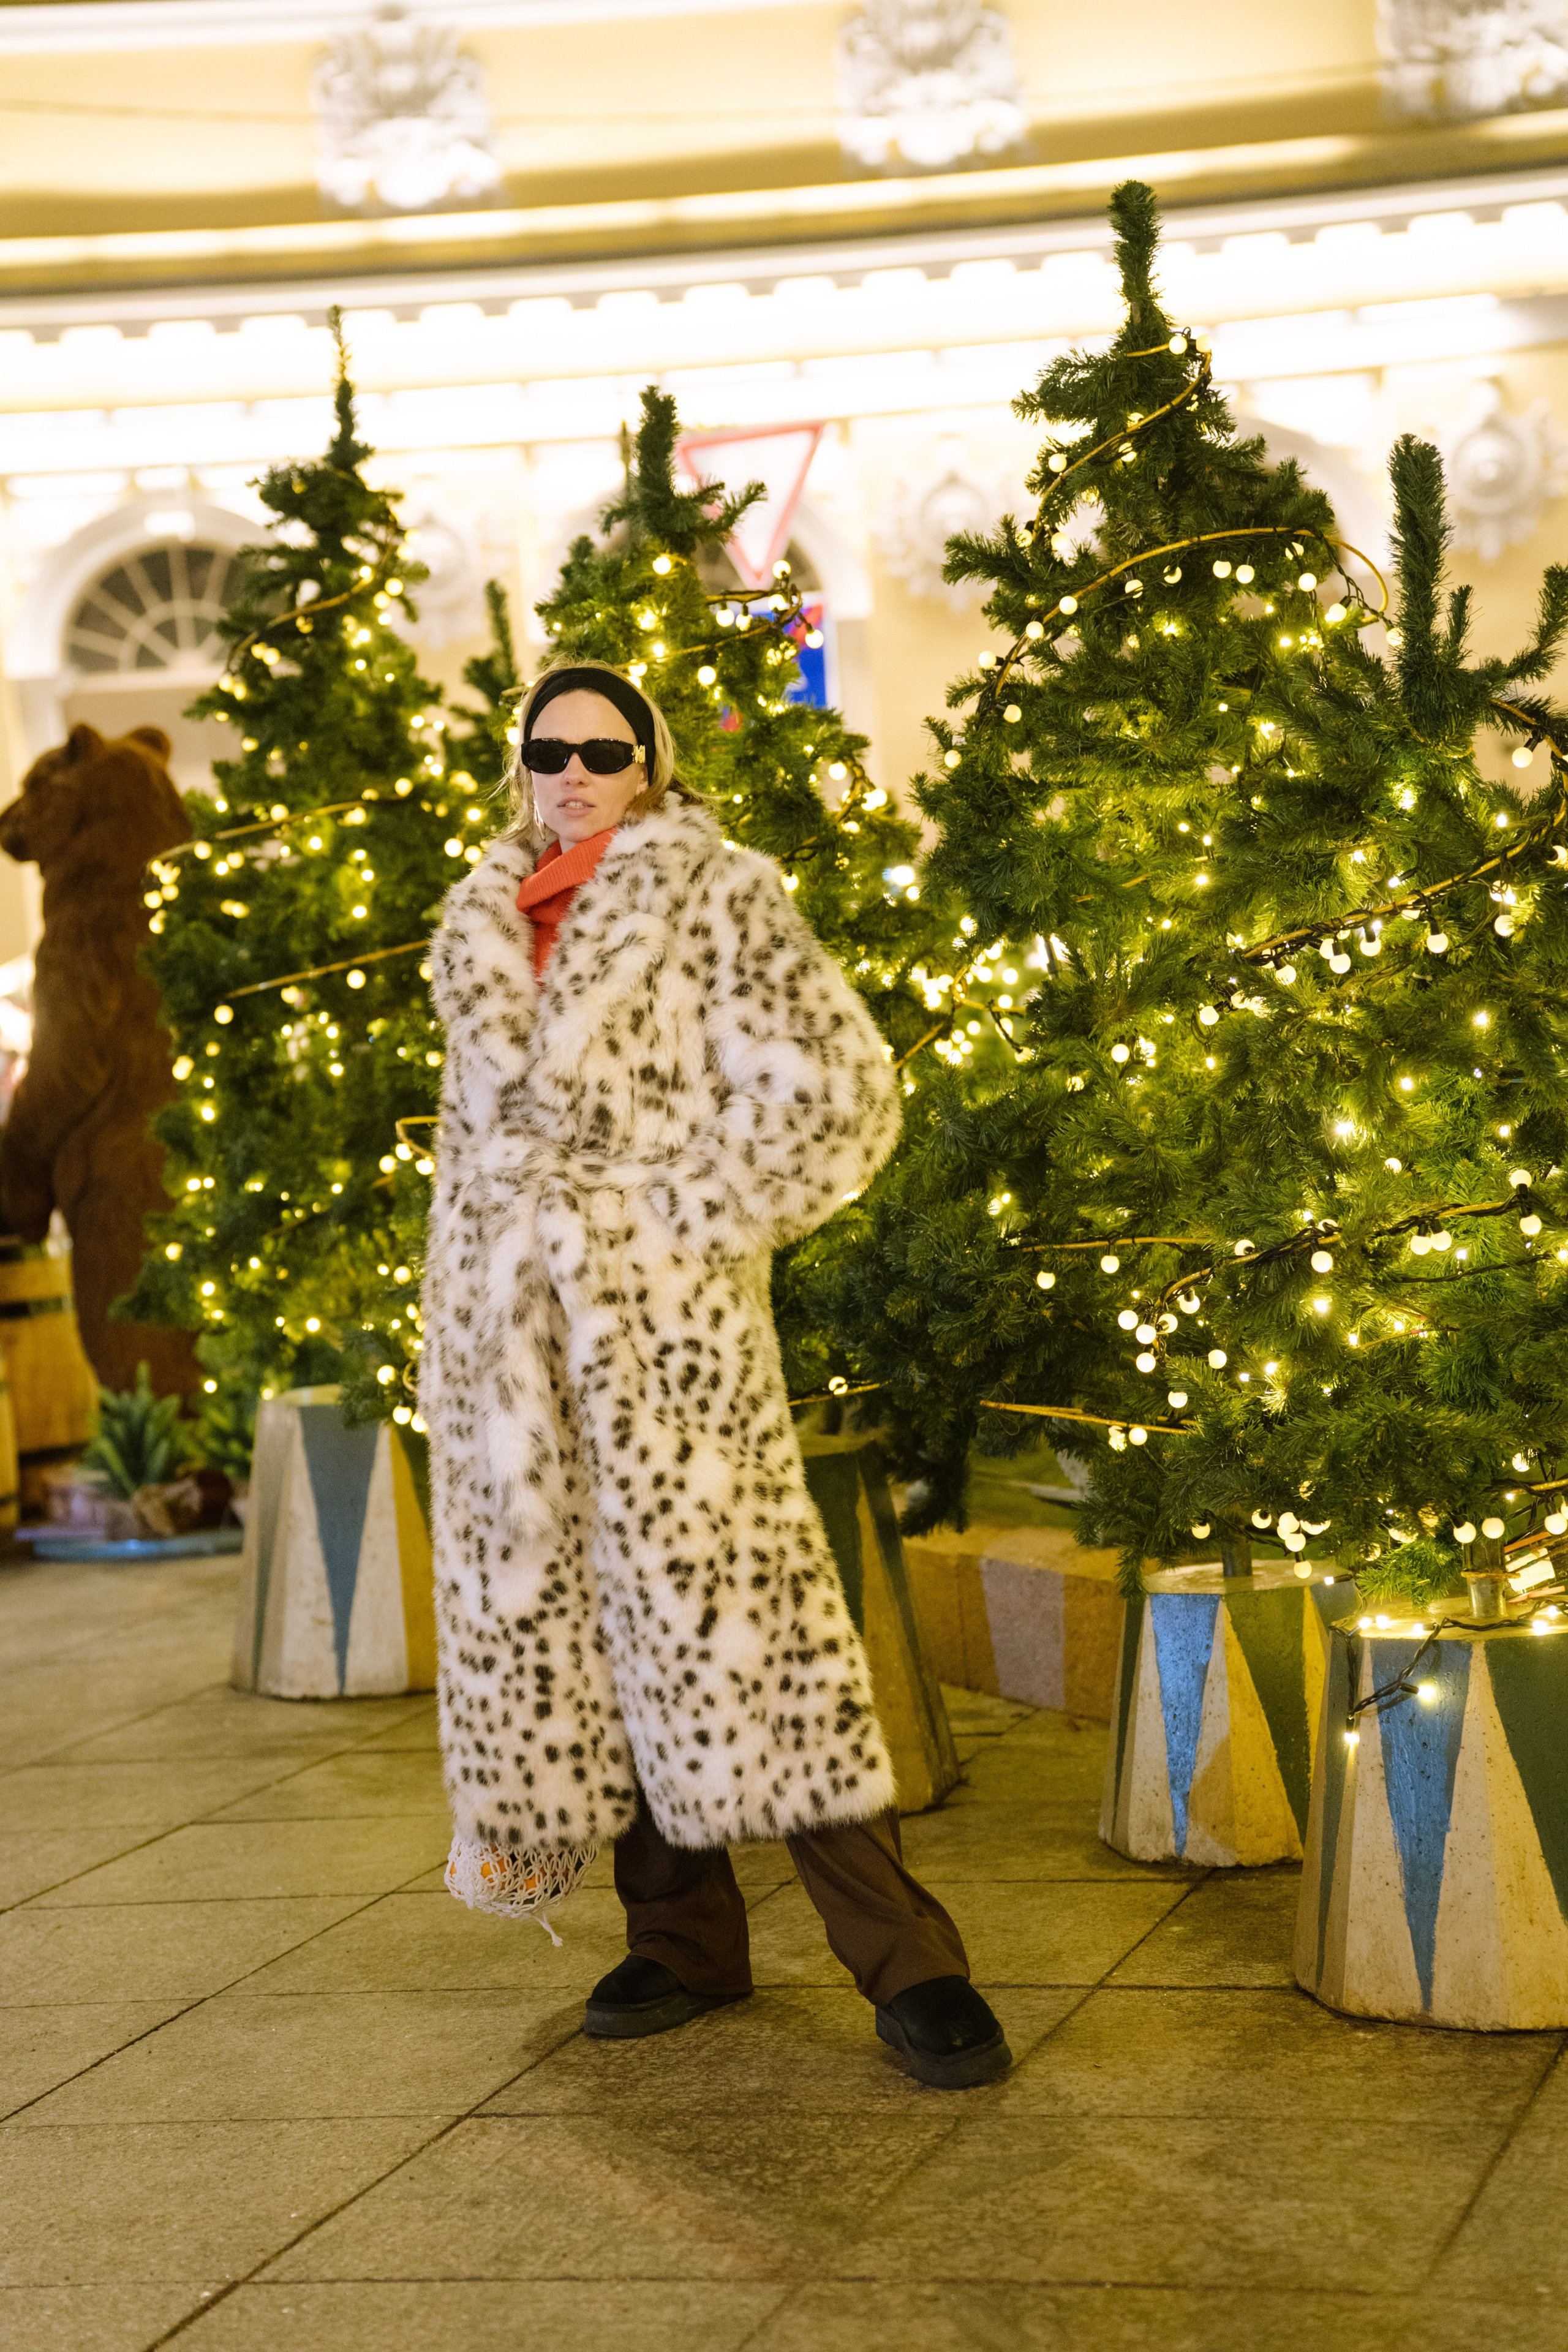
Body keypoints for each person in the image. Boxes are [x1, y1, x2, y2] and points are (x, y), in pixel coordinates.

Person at [422, 658, 1008, 2090]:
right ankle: (680, 1938)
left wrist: (674, 1223)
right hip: (513, 1346)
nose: (573, 771)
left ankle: (907, 1961)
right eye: (548, 749)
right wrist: (461, 1322)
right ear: (522, 764)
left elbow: (837, 1088)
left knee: (747, 1628)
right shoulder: (476, 922)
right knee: (589, 1644)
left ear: (649, 765)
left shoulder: (718, 893)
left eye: (603, 750)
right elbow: (466, 1148)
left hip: (666, 1332)